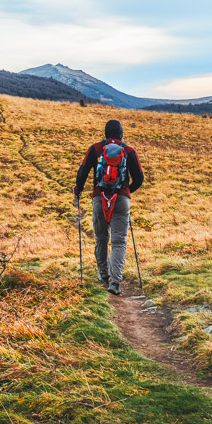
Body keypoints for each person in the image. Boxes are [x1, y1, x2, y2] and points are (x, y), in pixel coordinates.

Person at [73, 119, 144, 296]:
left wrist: (78, 190)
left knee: (101, 238)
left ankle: (103, 275)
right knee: (119, 241)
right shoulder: (128, 151)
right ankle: (115, 282)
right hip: (121, 199)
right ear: (121, 134)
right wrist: (127, 191)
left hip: (99, 196)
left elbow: (82, 173)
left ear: (106, 133)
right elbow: (139, 178)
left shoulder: (96, 149)